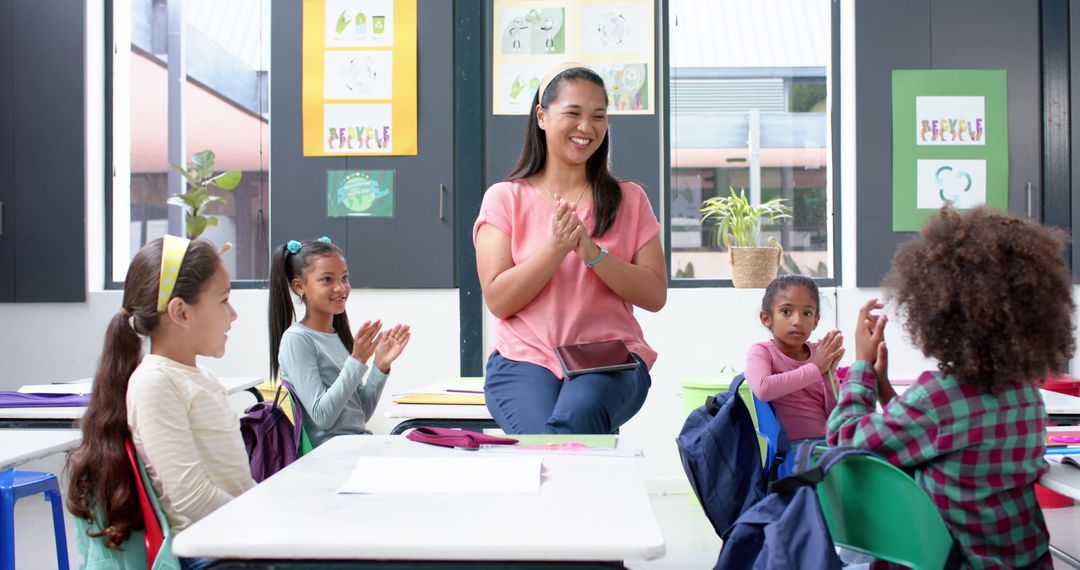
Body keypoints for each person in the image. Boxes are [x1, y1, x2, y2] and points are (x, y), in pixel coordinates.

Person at [828, 207, 1075, 568]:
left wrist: (862, 366)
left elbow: (844, 439)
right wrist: (886, 392)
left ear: (937, 312)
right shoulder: (1027, 396)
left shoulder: (938, 397)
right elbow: (945, 439)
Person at [473, 62, 666, 434]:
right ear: (542, 117)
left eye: (598, 116)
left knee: (578, 417)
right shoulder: (505, 198)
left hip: (608, 358)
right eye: (573, 113)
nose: (586, 127)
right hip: (523, 358)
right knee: (546, 441)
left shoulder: (630, 199)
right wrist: (557, 248)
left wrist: (592, 253)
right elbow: (499, 300)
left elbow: (655, 294)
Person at [66, 236, 254, 570]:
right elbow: (193, 499)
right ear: (181, 311)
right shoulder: (155, 383)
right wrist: (263, 521)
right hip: (210, 552)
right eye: (224, 300)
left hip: (231, 538)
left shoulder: (200, 376)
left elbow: (233, 483)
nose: (233, 314)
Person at [268, 237, 410, 447]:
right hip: (330, 454)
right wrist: (357, 360)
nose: (341, 288)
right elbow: (322, 416)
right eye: (327, 279)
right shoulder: (297, 340)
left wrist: (380, 366)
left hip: (353, 445)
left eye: (344, 278)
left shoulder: (338, 335)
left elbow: (360, 414)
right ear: (299, 286)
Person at [745, 275, 844, 441]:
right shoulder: (761, 351)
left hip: (827, 444)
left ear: (815, 321)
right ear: (767, 319)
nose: (798, 321)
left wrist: (828, 375)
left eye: (807, 313)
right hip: (794, 449)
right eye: (786, 312)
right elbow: (763, 389)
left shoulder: (818, 353)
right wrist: (815, 368)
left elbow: (834, 416)